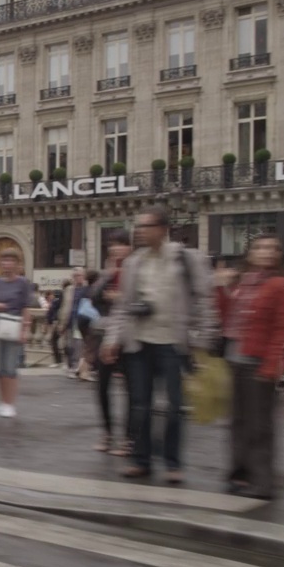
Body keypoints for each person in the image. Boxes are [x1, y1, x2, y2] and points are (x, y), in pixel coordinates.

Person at [102, 206, 217, 483]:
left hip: (173, 344)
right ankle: (141, 460)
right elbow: (123, 307)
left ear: (163, 229)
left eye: (146, 226)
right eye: (138, 226)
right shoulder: (133, 262)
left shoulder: (187, 259)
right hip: (139, 343)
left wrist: (204, 340)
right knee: (140, 404)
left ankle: (172, 462)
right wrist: (112, 339)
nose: (140, 231)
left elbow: (204, 299)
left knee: (175, 406)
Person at [223, 234, 284, 500]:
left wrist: (272, 363)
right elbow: (227, 317)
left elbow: (282, 328)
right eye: (260, 247)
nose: (266, 252)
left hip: (258, 362)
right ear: (250, 254)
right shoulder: (243, 282)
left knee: (259, 426)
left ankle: (263, 482)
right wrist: (221, 288)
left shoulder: (278, 285)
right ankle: (240, 473)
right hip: (235, 358)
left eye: (272, 248)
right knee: (238, 422)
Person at [87, 230, 133, 455]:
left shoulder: (135, 269)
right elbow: (94, 296)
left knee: (131, 389)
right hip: (106, 333)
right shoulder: (109, 272)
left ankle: (128, 438)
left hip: (130, 335)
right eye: (113, 245)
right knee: (102, 386)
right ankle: (107, 433)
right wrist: (109, 274)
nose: (116, 249)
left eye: (121, 245)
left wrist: (120, 298)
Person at [0, 248, 32, 418]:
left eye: (10, 260)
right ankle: (1, 402)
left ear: (17, 264)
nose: (7, 264)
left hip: (14, 324)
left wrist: (24, 330)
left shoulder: (22, 283)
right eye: (4, 260)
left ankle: (9, 403)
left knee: (10, 367)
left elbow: (26, 307)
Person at [58, 268, 89, 380]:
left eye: (79, 275)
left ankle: (76, 367)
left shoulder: (87, 289)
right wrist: (61, 323)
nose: (77, 278)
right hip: (70, 320)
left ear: (84, 276)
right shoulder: (69, 289)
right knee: (69, 346)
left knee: (79, 346)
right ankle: (72, 366)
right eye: (75, 275)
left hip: (82, 321)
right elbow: (64, 307)